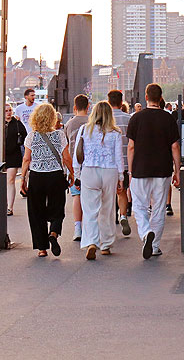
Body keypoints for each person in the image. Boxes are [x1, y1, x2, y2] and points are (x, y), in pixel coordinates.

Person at [127, 83, 181, 259]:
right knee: (158, 208)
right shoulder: (168, 119)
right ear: (161, 97)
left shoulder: (136, 118)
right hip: (163, 169)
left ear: (146, 96)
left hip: (140, 169)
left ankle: (145, 232)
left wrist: (130, 171)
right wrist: (177, 171)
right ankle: (155, 245)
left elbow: (131, 147)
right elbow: (175, 146)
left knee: (139, 205)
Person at [73, 101, 125, 260]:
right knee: (107, 209)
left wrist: (77, 174)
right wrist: (121, 177)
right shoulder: (115, 133)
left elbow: (77, 155)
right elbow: (118, 157)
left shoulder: (84, 130)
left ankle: (91, 242)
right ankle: (106, 244)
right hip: (109, 171)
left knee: (89, 209)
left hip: (89, 170)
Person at [21, 103, 70, 258]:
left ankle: (42, 248)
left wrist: (23, 178)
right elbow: (66, 157)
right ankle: (53, 233)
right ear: (52, 118)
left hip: (37, 176)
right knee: (58, 208)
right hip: (55, 175)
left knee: (36, 212)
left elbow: (26, 159)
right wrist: (73, 173)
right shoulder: (59, 135)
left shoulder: (31, 136)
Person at [63, 94, 90, 242]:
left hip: (74, 165)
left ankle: (77, 228)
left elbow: (65, 147)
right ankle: (89, 227)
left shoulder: (69, 124)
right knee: (91, 197)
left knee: (76, 196)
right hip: (90, 165)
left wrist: (68, 170)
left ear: (74, 107)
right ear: (88, 107)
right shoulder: (92, 122)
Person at [108, 90, 133, 237]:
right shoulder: (128, 118)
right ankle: (123, 215)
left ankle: (112, 218)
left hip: (109, 162)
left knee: (109, 193)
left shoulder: (105, 118)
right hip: (124, 161)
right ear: (121, 101)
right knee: (122, 191)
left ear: (108, 101)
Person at [3, 103, 27, 216]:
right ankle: (2, 204)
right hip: (0, 155)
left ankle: (9, 207)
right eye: (6, 111)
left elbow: (25, 136)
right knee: (1, 181)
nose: (8, 113)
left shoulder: (17, 123)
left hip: (14, 154)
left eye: (10, 110)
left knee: (10, 180)